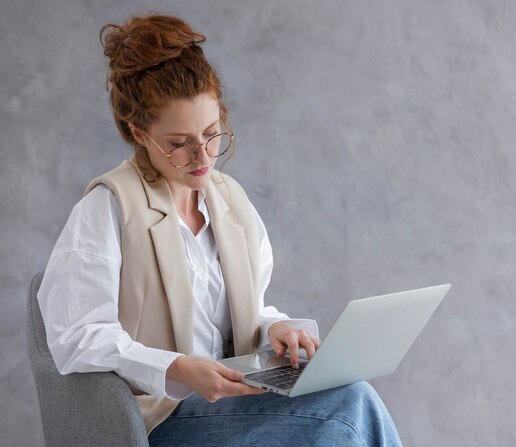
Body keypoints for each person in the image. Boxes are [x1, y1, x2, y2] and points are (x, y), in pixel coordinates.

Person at [38, 13, 402, 446]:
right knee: (344, 414)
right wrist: (175, 368)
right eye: (178, 143)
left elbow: (243, 311)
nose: (202, 156)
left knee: (349, 397)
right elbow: (77, 337)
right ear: (139, 133)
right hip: (159, 417)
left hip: (235, 402)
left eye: (212, 134)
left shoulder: (230, 201)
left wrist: (276, 330)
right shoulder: (108, 208)